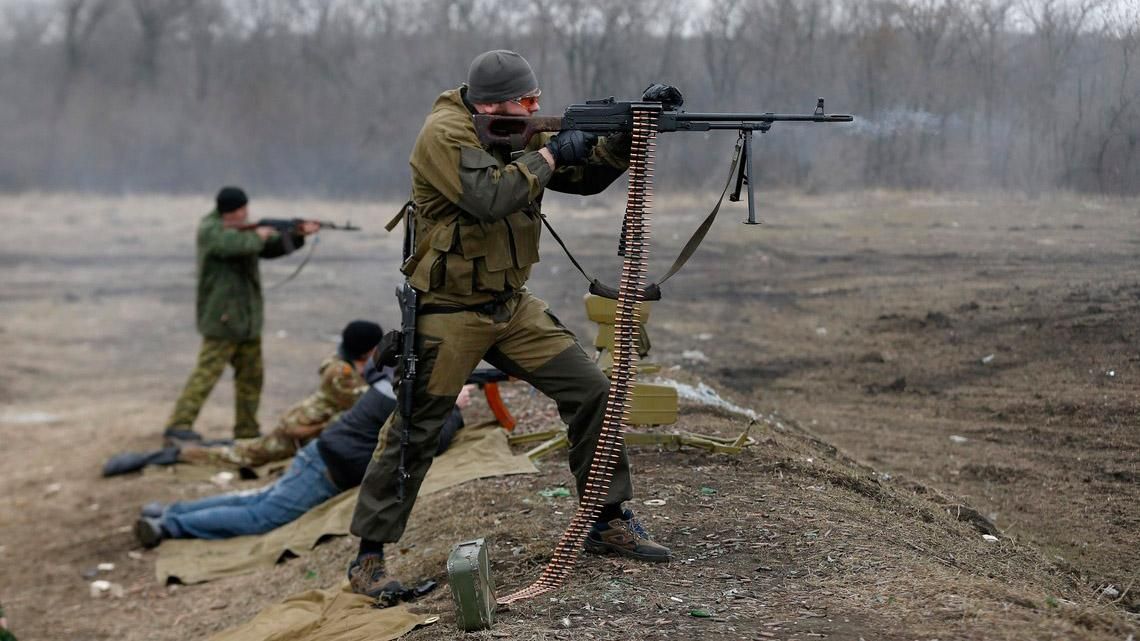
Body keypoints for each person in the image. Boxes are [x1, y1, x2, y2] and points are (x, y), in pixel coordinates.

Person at [346, 49, 677, 598]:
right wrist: (549, 154)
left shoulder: (513, 131)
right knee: (414, 428)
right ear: (493, 104)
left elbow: (585, 176)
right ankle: (368, 559)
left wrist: (627, 134)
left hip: (510, 305)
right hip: (449, 310)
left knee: (592, 390)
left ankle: (606, 518)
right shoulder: (443, 134)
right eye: (528, 100)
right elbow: (490, 196)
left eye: (536, 98)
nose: (535, 107)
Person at [135, 372, 472, 547]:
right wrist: (453, 409)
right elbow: (430, 442)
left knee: (256, 500)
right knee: (260, 516)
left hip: (319, 459)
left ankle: (169, 513)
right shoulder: (405, 400)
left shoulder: (394, 383)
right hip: (324, 470)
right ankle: (167, 526)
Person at [162, 186, 319, 444]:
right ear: (231, 211)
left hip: (247, 320)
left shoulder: (245, 232)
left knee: (251, 377)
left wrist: (297, 235)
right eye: (241, 209)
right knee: (206, 374)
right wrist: (259, 235)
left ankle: (247, 429)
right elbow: (233, 246)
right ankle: (179, 424)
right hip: (223, 318)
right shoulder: (211, 229)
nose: (246, 213)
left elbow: (269, 249)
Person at [177, 320, 382, 469]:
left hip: (308, 425)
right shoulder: (341, 373)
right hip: (301, 428)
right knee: (247, 456)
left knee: (252, 449)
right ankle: (186, 454)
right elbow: (370, 401)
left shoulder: (346, 363)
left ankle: (210, 448)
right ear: (365, 351)